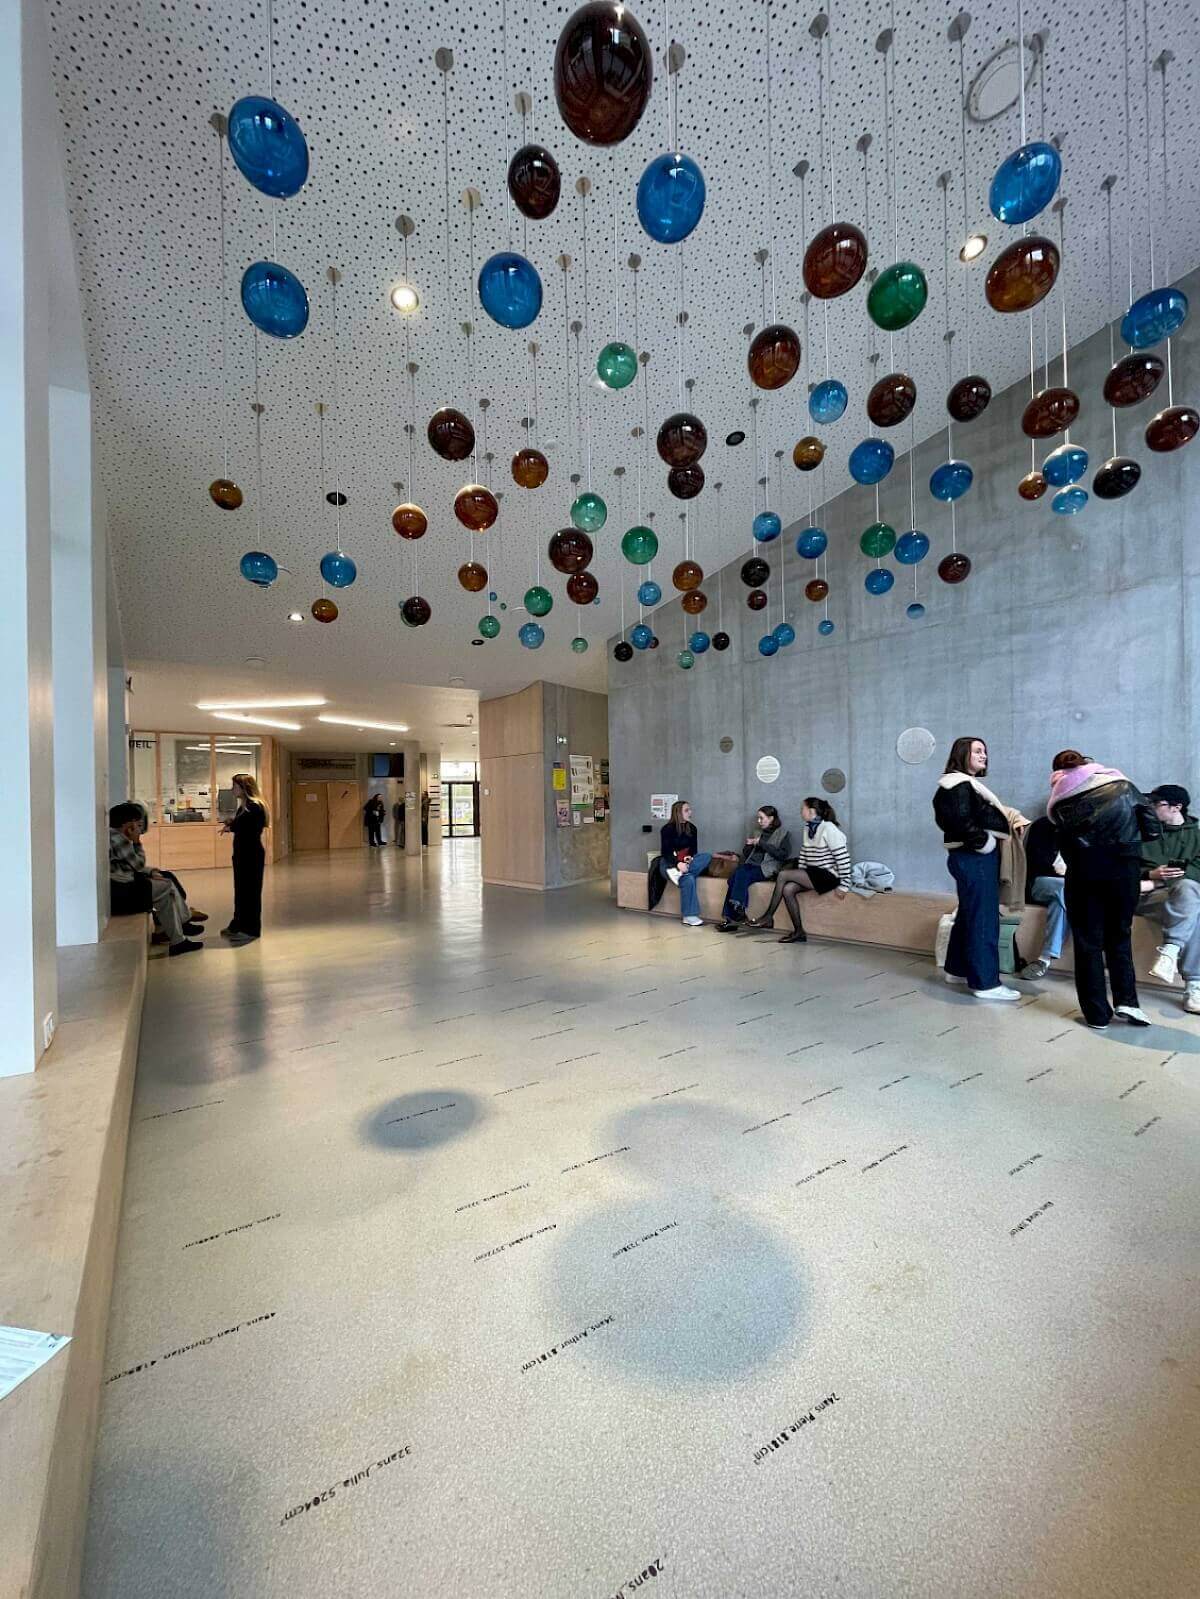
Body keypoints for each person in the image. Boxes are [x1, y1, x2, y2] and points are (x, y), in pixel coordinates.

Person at [1047, 750, 1159, 1030]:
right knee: (1120, 934)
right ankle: (1128, 1003)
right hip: (1124, 869)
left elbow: (1063, 843)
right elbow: (1153, 830)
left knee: (1088, 943)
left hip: (1084, 872)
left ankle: (1097, 1015)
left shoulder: (1061, 798)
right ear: (1091, 765)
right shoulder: (1123, 785)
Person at [933, 736, 1028, 1001]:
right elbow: (960, 821)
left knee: (969, 914)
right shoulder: (957, 784)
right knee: (983, 918)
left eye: (984, 751)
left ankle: (957, 969)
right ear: (962, 753)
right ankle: (986, 983)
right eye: (977, 751)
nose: (983, 755)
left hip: (969, 857)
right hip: (975, 857)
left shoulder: (959, 784)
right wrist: (984, 843)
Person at [745, 797, 852, 943]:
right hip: (813, 873)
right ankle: (799, 932)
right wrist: (799, 873)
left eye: (803, 809)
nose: (801, 811)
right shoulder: (808, 828)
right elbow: (805, 853)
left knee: (783, 875)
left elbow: (843, 858)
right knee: (788, 890)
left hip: (829, 876)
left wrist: (844, 885)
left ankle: (768, 917)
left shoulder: (829, 828)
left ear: (811, 811)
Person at [108, 802, 203, 956]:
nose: (138, 826)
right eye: (136, 822)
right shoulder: (119, 839)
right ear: (127, 823)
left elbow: (129, 866)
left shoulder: (112, 835)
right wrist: (136, 841)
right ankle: (182, 925)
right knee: (167, 885)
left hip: (120, 888)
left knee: (164, 890)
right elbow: (139, 865)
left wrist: (151, 872)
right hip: (123, 892)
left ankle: (178, 937)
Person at [1138, 784, 1200, 1013]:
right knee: (1192, 902)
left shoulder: (1197, 837)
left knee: (1190, 896)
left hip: (1181, 897)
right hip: (1148, 898)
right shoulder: (1143, 833)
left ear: (1176, 807)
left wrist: (1160, 881)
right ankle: (1194, 985)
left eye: (1157, 804)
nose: (1151, 808)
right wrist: (1151, 875)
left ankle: (1171, 951)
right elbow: (1124, 867)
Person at [714, 806, 792, 932]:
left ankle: (734, 917)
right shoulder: (757, 832)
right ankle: (737, 912)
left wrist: (761, 843)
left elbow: (782, 855)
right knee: (735, 877)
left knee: (737, 877)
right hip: (750, 865)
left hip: (766, 868)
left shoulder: (782, 833)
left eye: (761, 818)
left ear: (771, 818)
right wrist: (749, 845)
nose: (759, 821)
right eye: (758, 818)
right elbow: (746, 854)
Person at [220, 773, 268, 946]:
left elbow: (249, 828)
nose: (232, 789)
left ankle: (250, 930)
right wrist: (232, 824)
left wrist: (233, 825)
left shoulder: (255, 807)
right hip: (242, 853)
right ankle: (238, 924)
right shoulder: (244, 807)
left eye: (235, 786)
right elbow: (242, 825)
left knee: (250, 893)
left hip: (251, 855)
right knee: (241, 891)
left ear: (244, 788)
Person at [1019, 813, 1068, 980]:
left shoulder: (1087, 828)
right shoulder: (1043, 826)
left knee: (1060, 903)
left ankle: (1044, 959)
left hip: (1068, 891)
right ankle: (1101, 941)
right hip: (1040, 883)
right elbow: (1037, 862)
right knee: (1066, 888)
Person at [659, 800, 713, 927]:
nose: (690, 812)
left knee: (706, 857)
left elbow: (694, 850)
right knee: (688, 879)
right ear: (678, 813)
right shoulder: (667, 829)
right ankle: (690, 916)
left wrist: (689, 858)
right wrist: (678, 864)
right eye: (686, 810)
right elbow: (666, 852)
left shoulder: (692, 828)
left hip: (686, 863)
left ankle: (682, 874)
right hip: (670, 864)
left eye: (690, 809)